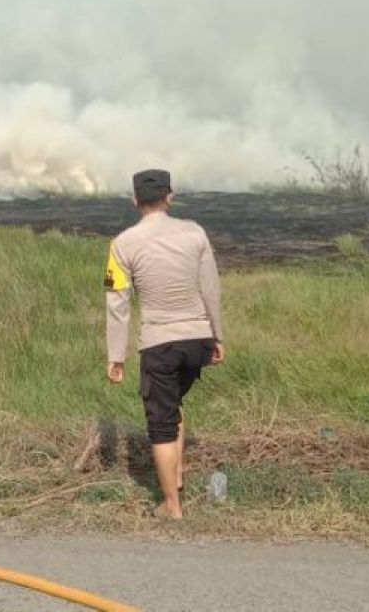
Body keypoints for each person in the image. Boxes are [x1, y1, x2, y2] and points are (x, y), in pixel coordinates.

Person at [104, 169, 225, 520]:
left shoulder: (122, 244)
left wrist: (116, 356)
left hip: (160, 343)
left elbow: (117, 303)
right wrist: (217, 336)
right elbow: (211, 290)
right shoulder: (195, 232)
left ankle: (171, 505)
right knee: (175, 403)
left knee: (160, 423)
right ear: (170, 197)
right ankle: (178, 475)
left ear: (135, 200)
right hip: (197, 341)